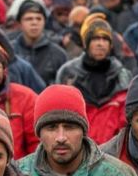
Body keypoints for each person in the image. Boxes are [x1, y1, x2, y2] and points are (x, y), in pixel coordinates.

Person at [55, 13, 132, 144]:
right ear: (86, 43)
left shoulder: (123, 76)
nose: (100, 44)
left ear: (111, 45)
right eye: (95, 39)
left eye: (105, 39)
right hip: (77, 146)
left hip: (113, 148)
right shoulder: (67, 73)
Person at [13, 0, 68, 87]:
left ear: (44, 22)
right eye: (29, 19)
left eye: (39, 19)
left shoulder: (58, 55)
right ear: (19, 23)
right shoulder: (10, 52)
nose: (34, 23)